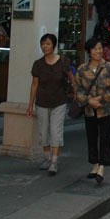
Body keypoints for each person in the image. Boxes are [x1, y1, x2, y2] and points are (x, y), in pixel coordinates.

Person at [75, 37, 110, 184]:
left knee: (105, 137)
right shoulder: (82, 69)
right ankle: (94, 165)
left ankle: (102, 167)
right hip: (89, 110)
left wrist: (98, 100)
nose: (98, 51)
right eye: (95, 49)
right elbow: (78, 91)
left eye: (100, 48)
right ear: (89, 51)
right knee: (91, 137)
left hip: (106, 109)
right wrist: (89, 101)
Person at [26, 33, 73, 175]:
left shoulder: (63, 61)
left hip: (59, 101)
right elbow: (34, 85)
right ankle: (46, 158)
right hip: (42, 102)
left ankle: (54, 161)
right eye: (43, 44)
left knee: (55, 131)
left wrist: (77, 94)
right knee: (43, 131)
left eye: (48, 44)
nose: (45, 47)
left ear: (54, 45)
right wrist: (30, 104)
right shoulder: (38, 64)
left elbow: (72, 78)